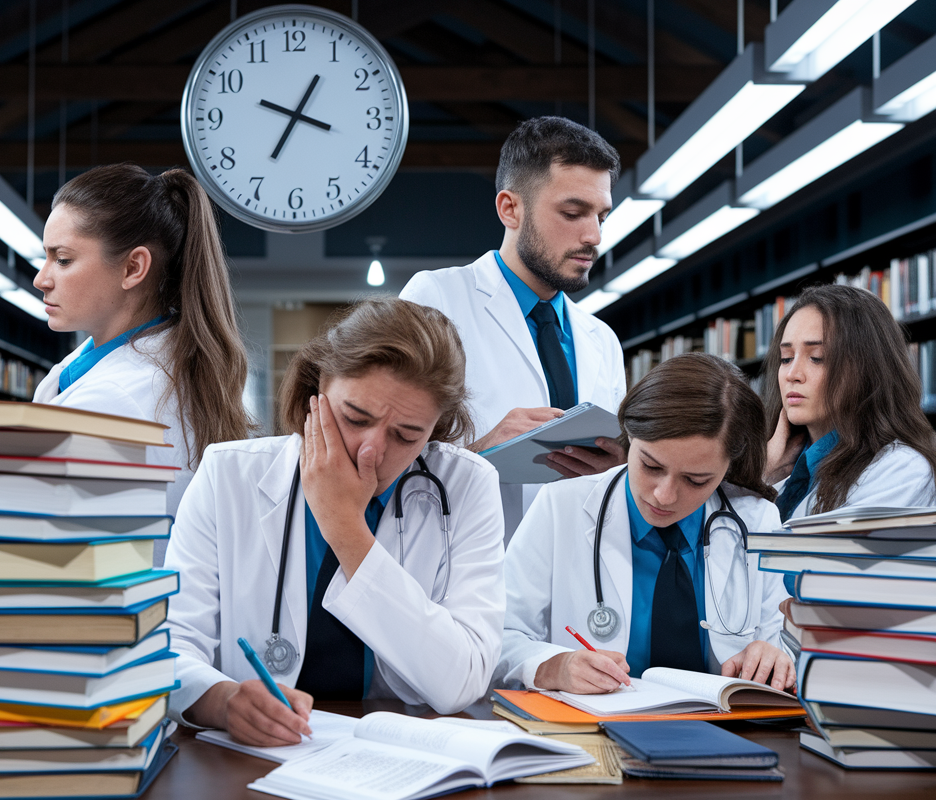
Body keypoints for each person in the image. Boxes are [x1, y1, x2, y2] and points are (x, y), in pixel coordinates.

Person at [164, 299, 505, 745]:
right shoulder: (227, 475)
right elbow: (169, 647)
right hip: (249, 759)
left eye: (406, 435)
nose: (370, 451)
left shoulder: (467, 485)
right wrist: (222, 702)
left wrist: (345, 527)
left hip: (398, 756)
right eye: (354, 418)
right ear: (317, 386)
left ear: (437, 428)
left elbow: (461, 681)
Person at [498, 353, 794, 694]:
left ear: (729, 466)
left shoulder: (756, 522)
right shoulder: (560, 506)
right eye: (651, 466)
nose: (664, 496)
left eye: (696, 480)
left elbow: (786, 645)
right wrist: (553, 666)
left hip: (722, 730)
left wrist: (775, 656)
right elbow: (501, 636)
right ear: (628, 436)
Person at [399, 117, 628, 538]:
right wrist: (482, 450)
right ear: (510, 209)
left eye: (601, 216)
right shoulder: (436, 298)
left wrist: (620, 468)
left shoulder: (601, 340)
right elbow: (384, 456)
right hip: (470, 568)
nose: (594, 235)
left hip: (578, 570)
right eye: (573, 213)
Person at [32, 164, 252, 538]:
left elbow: (48, 545)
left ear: (133, 267)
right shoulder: (168, 365)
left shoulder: (111, 402)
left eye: (63, 259)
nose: (42, 278)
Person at [764, 284, 936, 521]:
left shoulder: (902, 468)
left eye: (816, 358)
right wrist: (764, 478)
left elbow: (786, 556)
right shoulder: (778, 463)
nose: (792, 374)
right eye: (786, 358)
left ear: (867, 368)